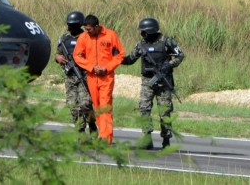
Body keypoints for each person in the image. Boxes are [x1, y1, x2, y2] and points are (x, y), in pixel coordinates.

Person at [122, 18, 184, 149]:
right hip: (147, 82)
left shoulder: (166, 42)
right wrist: (117, 57)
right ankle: (147, 136)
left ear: (150, 31)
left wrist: (169, 65)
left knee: (165, 112)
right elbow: (130, 59)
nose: (141, 35)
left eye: (143, 32)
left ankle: (166, 140)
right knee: (144, 108)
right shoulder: (141, 45)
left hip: (163, 82)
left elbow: (180, 55)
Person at [73, 14, 124, 144]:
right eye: (85, 29)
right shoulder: (84, 37)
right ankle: (102, 133)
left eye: (89, 29)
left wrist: (106, 68)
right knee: (97, 107)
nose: (87, 32)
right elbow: (77, 56)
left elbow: (120, 55)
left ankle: (106, 138)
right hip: (91, 76)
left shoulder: (111, 35)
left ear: (97, 27)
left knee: (105, 105)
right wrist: (91, 67)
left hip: (106, 77)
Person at [54, 11, 97, 135]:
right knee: (73, 105)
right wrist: (58, 58)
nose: (69, 27)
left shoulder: (87, 38)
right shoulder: (64, 39)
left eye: (72, 25)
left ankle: (92, 123)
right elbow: (58, 53)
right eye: (68, 24)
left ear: (79, 25)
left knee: (85, 104)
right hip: (70, 77)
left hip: (84, 76)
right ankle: (80, 132)